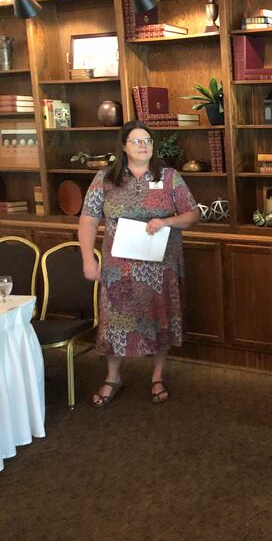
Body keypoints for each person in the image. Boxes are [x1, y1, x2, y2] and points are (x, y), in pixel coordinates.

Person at [78, 120, 199, 406]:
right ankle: (113, 377)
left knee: (160, 319)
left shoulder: (169, 177)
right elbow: (88, 219)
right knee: (114, 322)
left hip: (160, 268)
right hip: (118, 269)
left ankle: (157, 376)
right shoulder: (106, 178)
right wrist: (88, 259)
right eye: (136, 141)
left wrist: (167, 221)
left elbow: (192, 214)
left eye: (148, 141)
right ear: (123, 146)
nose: (143, 146)